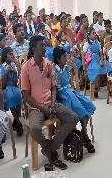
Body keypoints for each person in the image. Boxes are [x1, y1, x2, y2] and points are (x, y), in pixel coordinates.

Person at [21, 35, 78, 171]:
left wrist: (52, 103)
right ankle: (49, 149)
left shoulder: (48, 64)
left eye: (45, 45)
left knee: (73, 118)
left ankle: (49, 148)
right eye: (42, 45)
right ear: (33, 48)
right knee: (34, 128)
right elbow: (25, 95)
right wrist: (42, 108)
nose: (45, 47)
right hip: (35, 107)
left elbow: (53, 87)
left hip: (50, 103)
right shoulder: (26, 67)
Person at [53, 47, 95, 153]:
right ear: (57, 59)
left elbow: (72, 80)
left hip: (70, 92)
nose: (66, 58)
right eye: (64, 56)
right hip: (62, 96)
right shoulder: (54, 70)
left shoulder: (66, 67)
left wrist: (75, 68)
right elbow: (55, 88)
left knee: (87, 104)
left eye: (66, 55)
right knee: (78, 107)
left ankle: (84, 131)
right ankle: (81, 135)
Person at [0, 47, 23, 136]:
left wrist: (16, 72)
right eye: (10, 54)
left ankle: (16, 121)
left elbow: (17, 82)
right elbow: (2, 85)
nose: (12, 56)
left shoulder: (13, 65)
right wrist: (7, 73)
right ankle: (18, 123)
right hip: (6, 88)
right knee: (11, 97)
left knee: (19, 95)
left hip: (14, 87)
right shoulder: (1, 68)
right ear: (5, 57)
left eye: (13, 53)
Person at [82, 27, 110, 97]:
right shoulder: (87, 44)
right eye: (93, 33)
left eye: (95, 33)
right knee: (96, 69)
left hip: (98, 60)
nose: (95, 35)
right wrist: (84, 68)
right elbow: (83, 56)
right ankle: (95, 88)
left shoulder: (98, 43)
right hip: (91, 61)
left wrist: (101, 60)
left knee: (109, 66)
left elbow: (101, 53)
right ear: (89, 35)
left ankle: (111, 88)